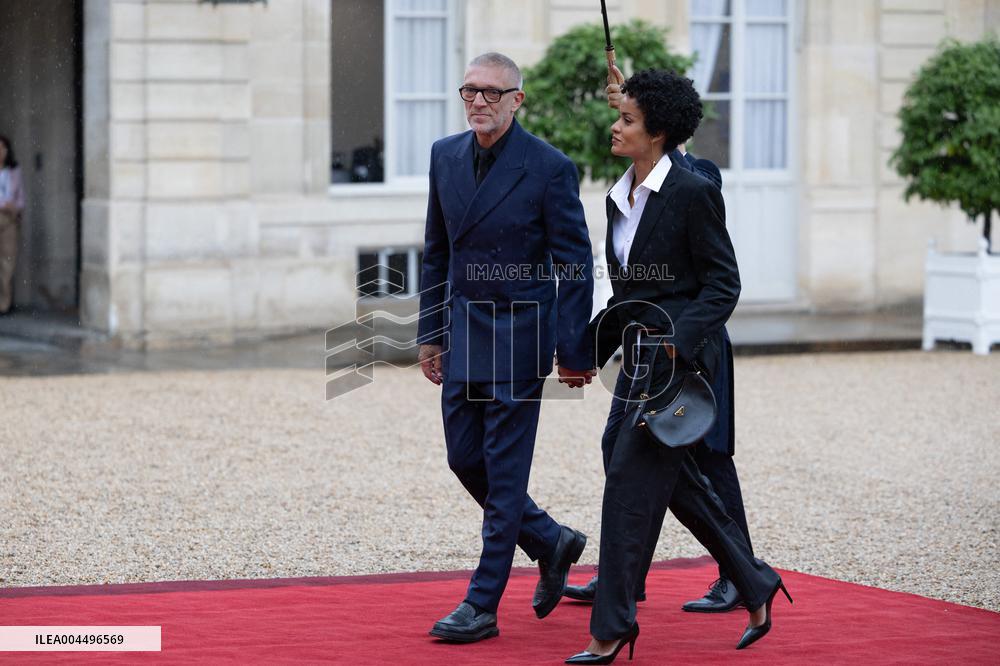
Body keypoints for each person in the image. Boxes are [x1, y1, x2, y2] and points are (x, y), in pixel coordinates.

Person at [565, 69, 790, 664]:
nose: (615, 125)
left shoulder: (691, 190)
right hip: (637, 358)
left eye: (628, 119)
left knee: (629, 491)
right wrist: (585, 354)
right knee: (661, 476)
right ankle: (753, 578)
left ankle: (612, 627)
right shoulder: (620, 196)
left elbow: (724, 285)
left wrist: (675, 342)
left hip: (678, 361)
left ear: (659, 133)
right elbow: (625, 296)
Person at [417, 52, 596, 643]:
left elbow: (575, 264)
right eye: (470, 90)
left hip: (520, 335)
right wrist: (430, 334)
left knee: (504, 469)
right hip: (463, 329)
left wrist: (575, 348)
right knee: (464, 459)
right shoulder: (444, 155)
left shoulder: (549, 166)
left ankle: (482, 603)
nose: (479, 102)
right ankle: (551, 540)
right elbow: (436, 251)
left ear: (517, 100)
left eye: (493, 93)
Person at [0, 135, 25, 315]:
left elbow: (21, 198)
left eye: (2, 148)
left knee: (7, 262)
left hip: (9, 219)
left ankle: (4, 304)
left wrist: (14, 207)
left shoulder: (14, 171)